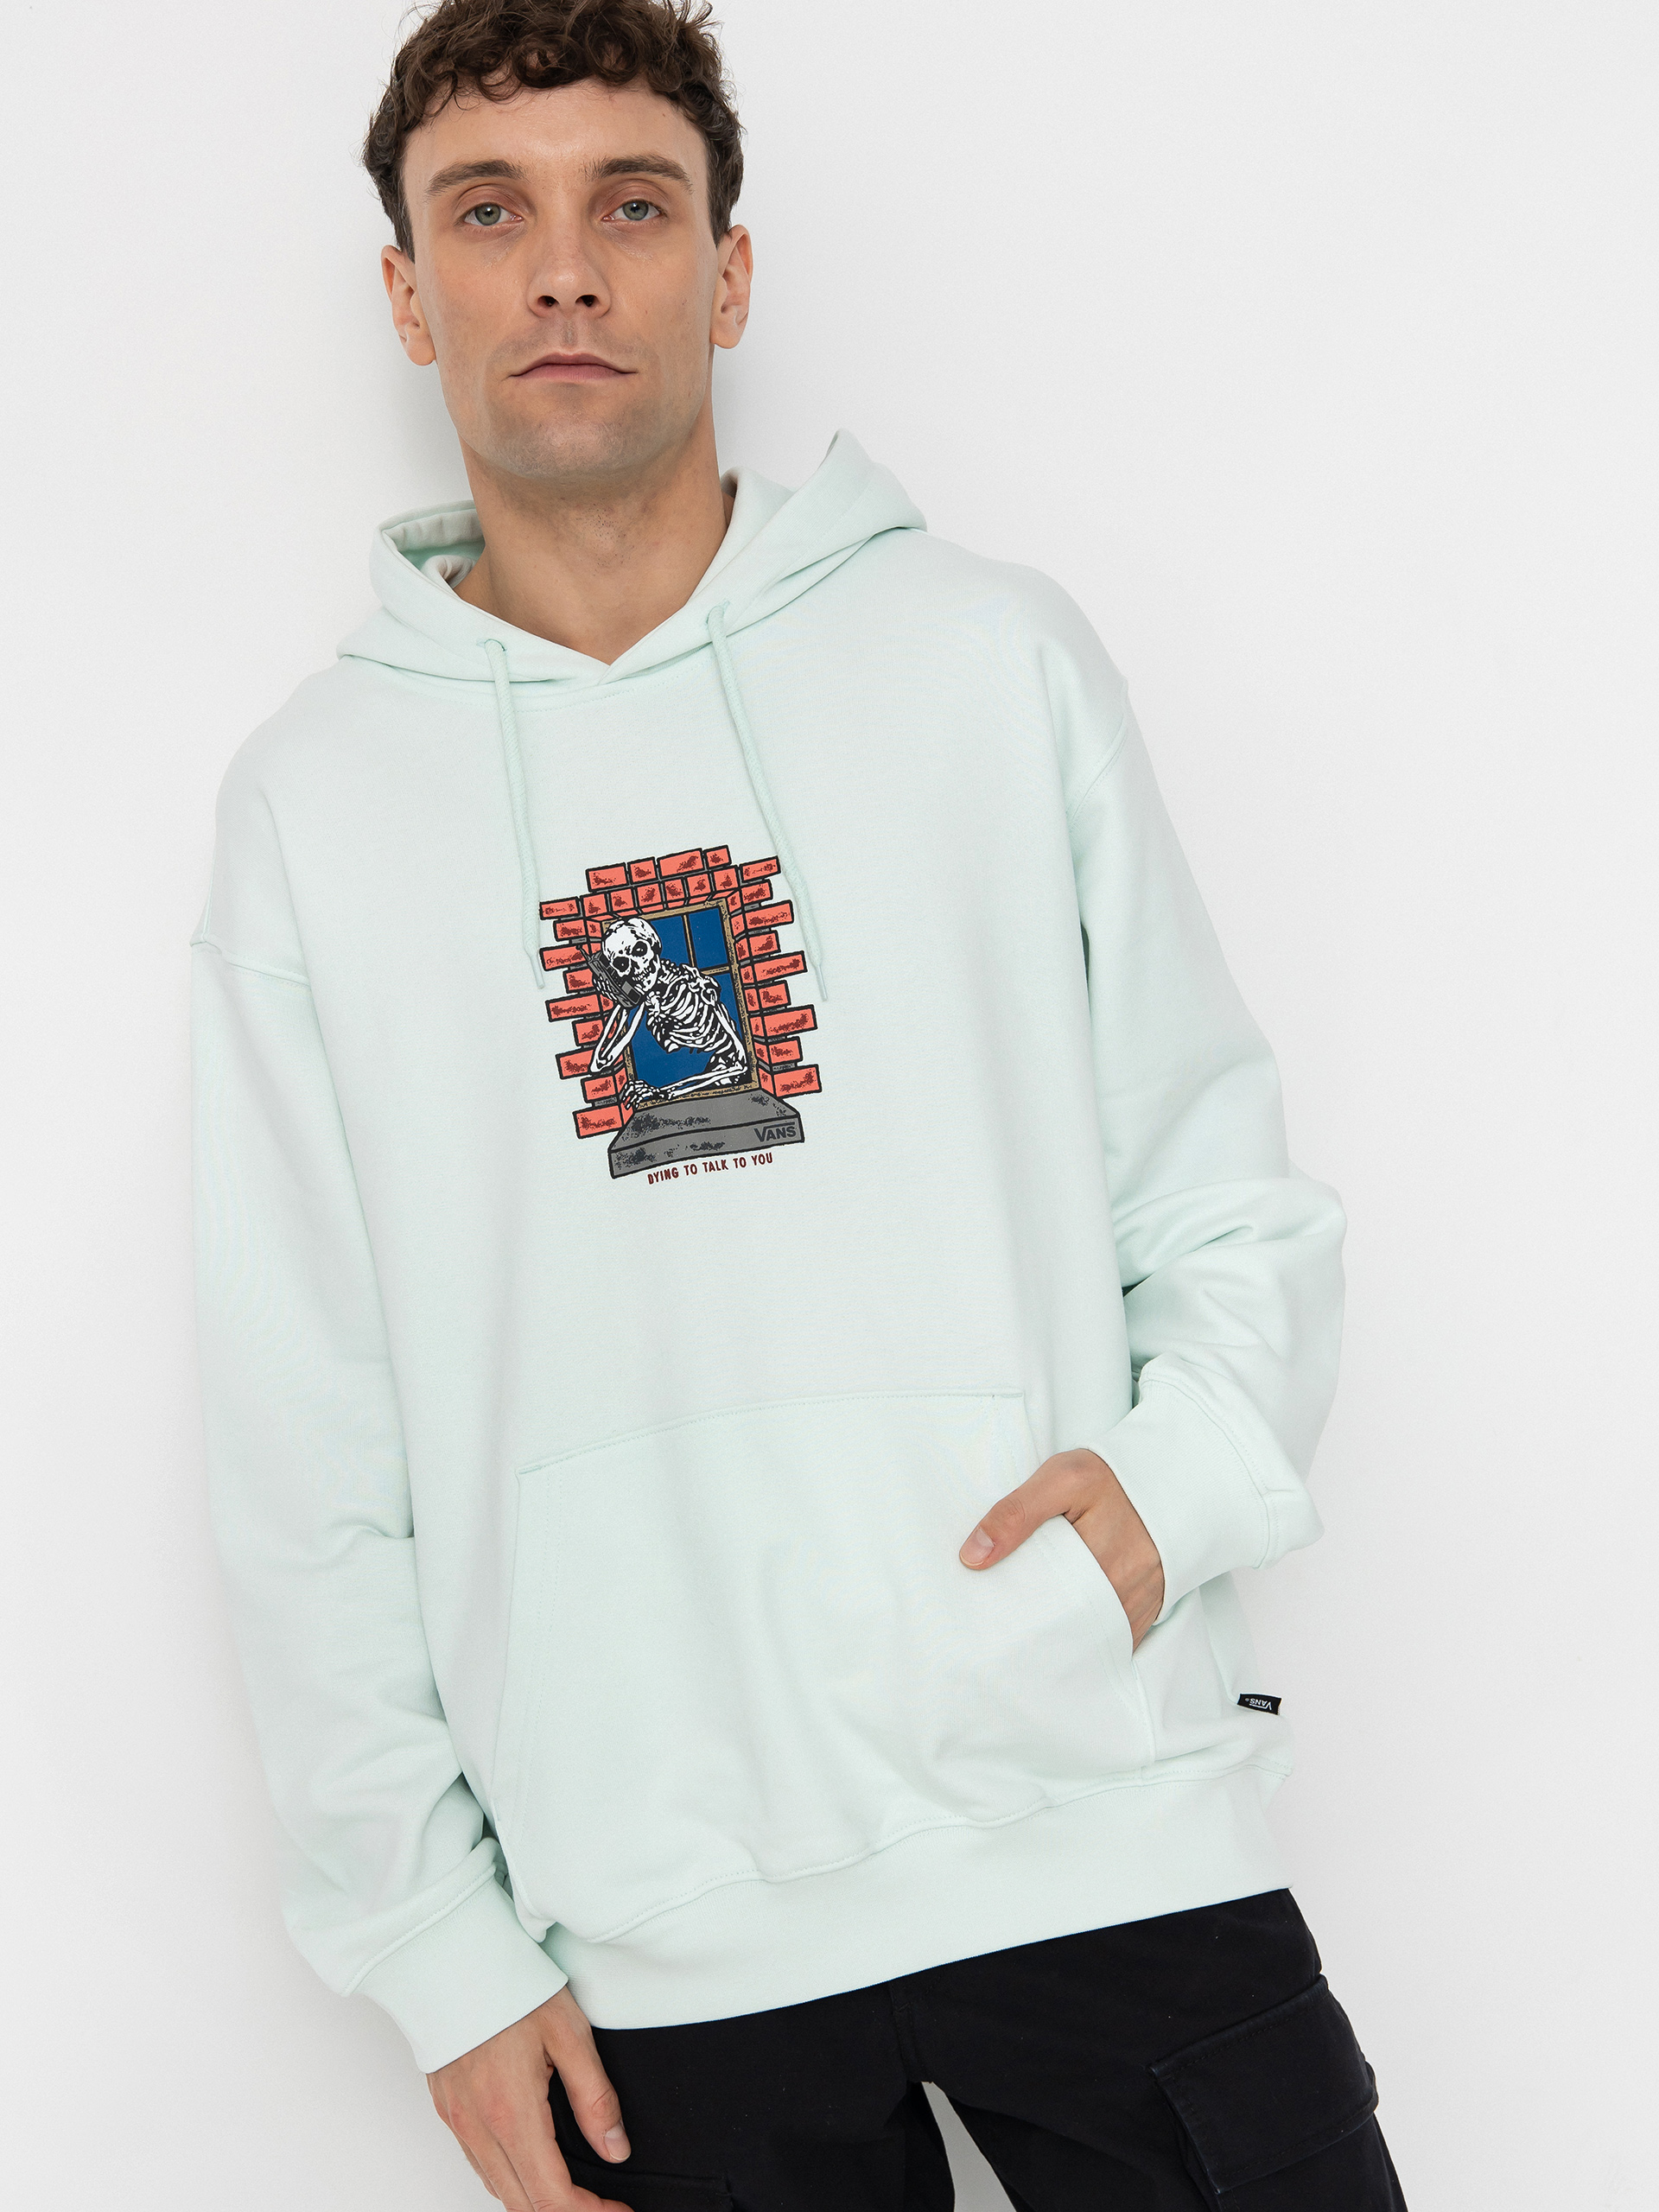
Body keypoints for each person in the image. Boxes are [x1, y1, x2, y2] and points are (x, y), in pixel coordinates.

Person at [190, 3, 1405, 2206]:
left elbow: (1221, 1186)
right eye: (492, 213)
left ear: (728, 273)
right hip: (660, 1946)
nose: (568, 268)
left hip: (1102, 1832)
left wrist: (1176, 1493)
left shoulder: (989, 659)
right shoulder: (318, 808)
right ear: (409, 292)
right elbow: (306, 1433)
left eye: (633, 205)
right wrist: (432, 1942)